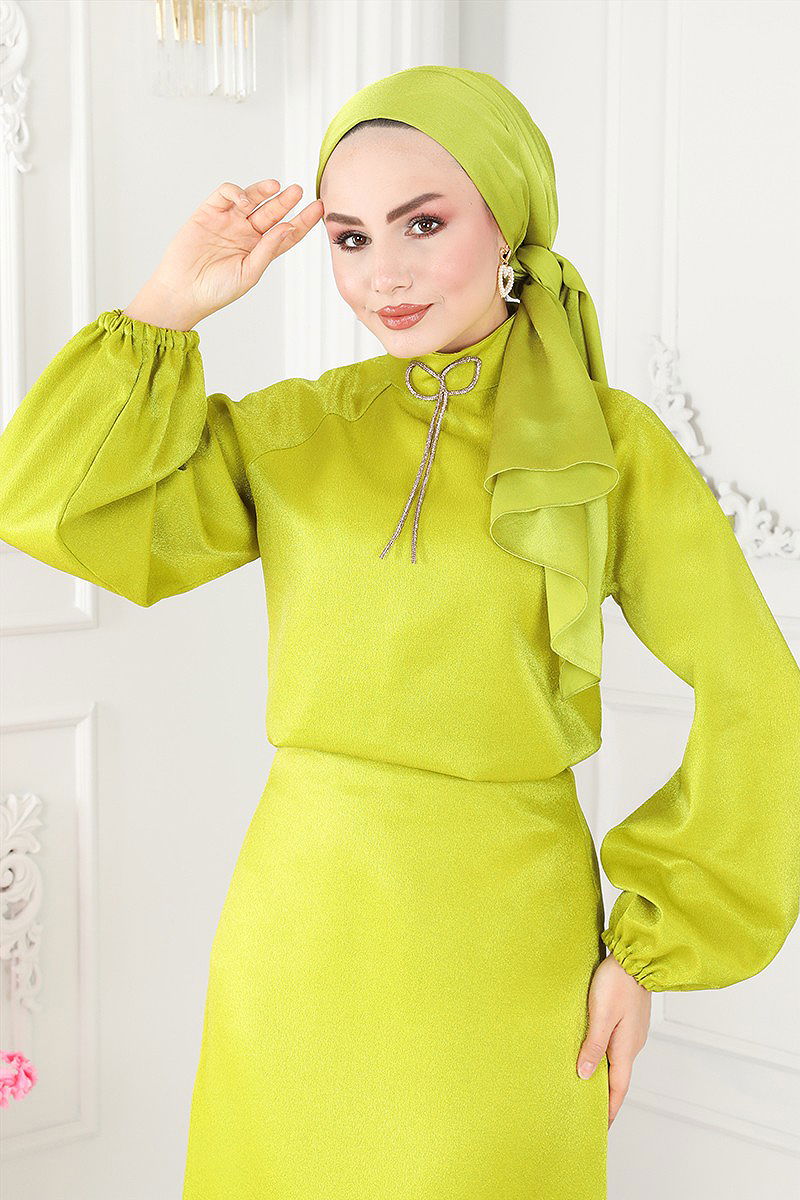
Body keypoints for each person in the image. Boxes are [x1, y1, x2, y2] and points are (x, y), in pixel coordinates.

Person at [0, 65, 798, 1200]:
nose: (384, 273)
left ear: (507, 222)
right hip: (298, 930)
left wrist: (646, 952)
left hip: (505, 944)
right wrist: (169, 304)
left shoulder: (612, 448)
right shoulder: (302, 428)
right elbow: (56, 505)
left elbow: (757, 690)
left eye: (423, 224)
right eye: (349, 238)